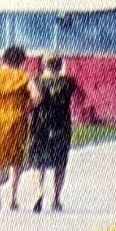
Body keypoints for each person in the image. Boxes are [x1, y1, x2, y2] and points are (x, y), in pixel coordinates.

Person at [0, 45, 40, 211]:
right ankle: (13, 199)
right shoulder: (24, 77)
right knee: (15, 161)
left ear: (4, 59)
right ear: (21, 61)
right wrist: (27, 107)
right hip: (17, 120)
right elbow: (37, 96)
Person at [24, 53, 79, 213]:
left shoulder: (36, 81)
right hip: (62, 126)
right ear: (60, 64)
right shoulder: (68, 82)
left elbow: (35, 100)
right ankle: (56, 199)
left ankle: (39, 191)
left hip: (40, 125)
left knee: (38, 162)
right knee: (60, 163)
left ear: (43, 64)